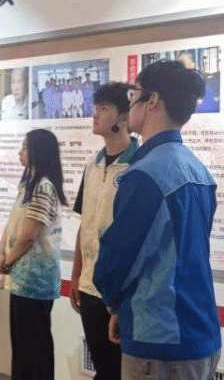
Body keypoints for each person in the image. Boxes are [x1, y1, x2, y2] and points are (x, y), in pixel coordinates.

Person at [93, 60, 221, 380]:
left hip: (160, 341)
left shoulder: (145, 175)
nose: (130, 104)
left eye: (134, 94)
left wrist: (114, 303)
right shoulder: (198, 171)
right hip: (200, 331)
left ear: (153, 100)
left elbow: (119, 259)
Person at [69, 82, 138, 380]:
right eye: (95, 108)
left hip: (119, 290)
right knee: (103, 366)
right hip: (89, 286)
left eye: (104, 109)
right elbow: (85, 223)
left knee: (119, 370)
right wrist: (76, 275)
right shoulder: (92, 164)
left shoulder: (138, 164)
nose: (95, 115)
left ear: (124, 116)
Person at [0, 128, 67, 380]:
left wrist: (8, 261)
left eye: (25, 147)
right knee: (23, 345)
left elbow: (29, 235)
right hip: (21, 277)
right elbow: (13, 222)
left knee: (35, 347)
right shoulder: (28, 183)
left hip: (36, 279)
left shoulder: (44, 187)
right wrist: (1, 252)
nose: (20, 152)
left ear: (38, 151)